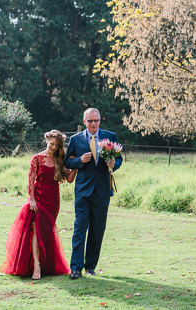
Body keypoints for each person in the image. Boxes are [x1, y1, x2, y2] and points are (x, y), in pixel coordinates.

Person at [0, 130, 76, 279]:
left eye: (57, 145)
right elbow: (31, 179)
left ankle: (45, 263)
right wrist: (32, 199)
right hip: (38, 199)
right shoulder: (37, 158)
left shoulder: (59, 159)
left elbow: (69, 179)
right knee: (36, 230)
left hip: (53, 201)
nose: (53, 147)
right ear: (46, 140)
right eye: (52, 143)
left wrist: (77, 166)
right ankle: (37, 266)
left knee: (45, 232)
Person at [64, 108, 122, 280]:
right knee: (80, 229)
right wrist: (79, 161)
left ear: (100, 120)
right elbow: (67, 161)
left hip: (103, 191)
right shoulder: (75, 139)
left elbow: (119, 158)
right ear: (84, 121)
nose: (93, 124)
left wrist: (114, 163)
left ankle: (90, 267)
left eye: (96, 120)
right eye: (89, 121)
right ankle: (76, 268)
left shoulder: (110, 136)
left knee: (97, 230)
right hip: (83, 191)